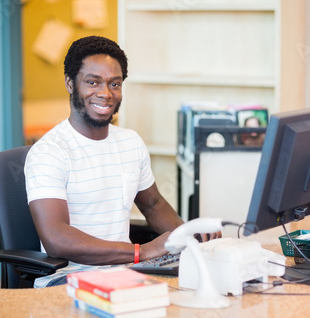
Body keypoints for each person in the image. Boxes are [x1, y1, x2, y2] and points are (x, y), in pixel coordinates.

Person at [24, 36, 220, 287]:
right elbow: (56, 238)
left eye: (114, 84)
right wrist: (142, 252)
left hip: (125, 273)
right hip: (68, 280)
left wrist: (186, 234)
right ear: (70, 83)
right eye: (92, 82)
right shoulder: (49, 152)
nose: (105, 94)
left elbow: (154, 204)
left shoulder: (130, 142)